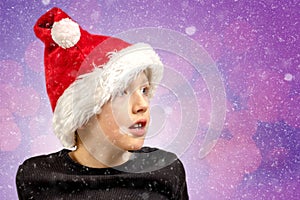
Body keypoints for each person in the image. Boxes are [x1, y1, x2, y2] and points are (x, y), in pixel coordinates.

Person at [16, 7, 188, 200]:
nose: (143, 105)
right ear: (80, 115)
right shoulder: (36, 178)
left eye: (144, 90)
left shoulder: (166, 169)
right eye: (122, 92)